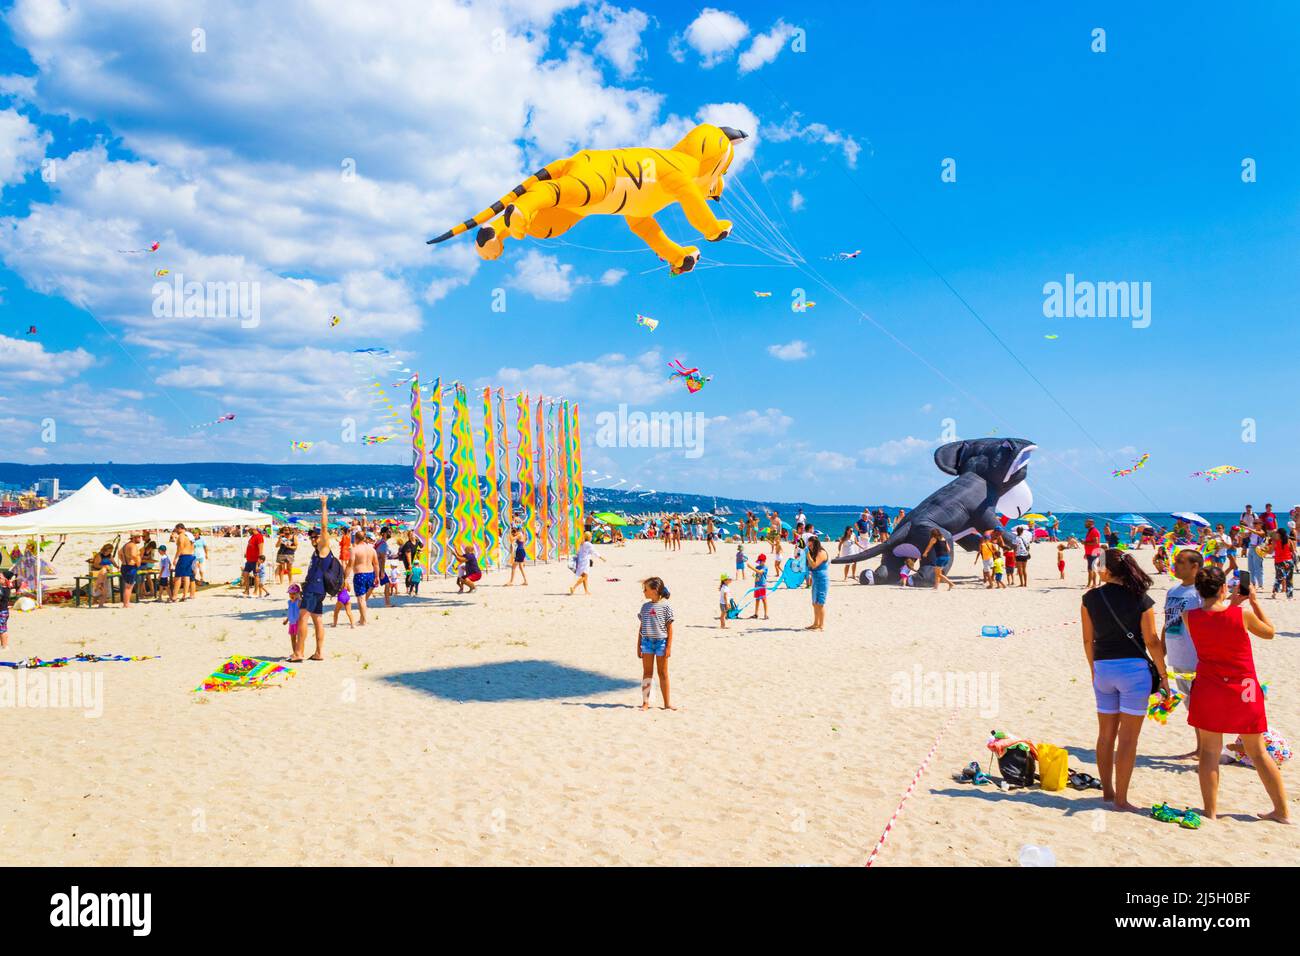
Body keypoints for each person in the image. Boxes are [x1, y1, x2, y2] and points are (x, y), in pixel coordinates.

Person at [1184, 566, 1288, 823]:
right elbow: (1269, 632)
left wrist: (1231, 601)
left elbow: (1213, 616)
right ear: (1223, 588)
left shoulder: (1189, 616)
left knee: (1209, 752)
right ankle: (1282, 811)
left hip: (1209, 688)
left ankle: (1210, 811)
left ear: (1199, 590)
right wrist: (1251, 601)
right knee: (1258, 752)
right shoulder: (1243, 615)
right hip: (1244, 690)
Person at [1080, 549, 1167, 812]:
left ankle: (1107, 791)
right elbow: (1151, 641)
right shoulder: (1140, 598)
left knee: (1105, 735)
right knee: (1128, 739)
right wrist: (1163, 676)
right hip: (1134, 672)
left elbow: (1087, 640)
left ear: (1107, 569)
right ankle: (1121, 799)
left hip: (1103, 668)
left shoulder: (1090, 598)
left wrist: (1094, 669)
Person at [1162, 549, 1205, 759]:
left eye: (1180, 562)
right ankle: (1200, 748)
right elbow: (1167, 622)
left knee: (1202, 707)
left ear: (1194, 566)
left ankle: (1208, 750)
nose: (1175, 564)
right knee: (1191, 706)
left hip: (1196, 658)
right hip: (1176, 657)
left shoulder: (1200, 593)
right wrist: (1160, 650)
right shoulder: (1172, 591)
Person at [296, 497, 335, 662]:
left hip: (314, 589)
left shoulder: (324, 547)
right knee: (318, 619)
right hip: (316, 589)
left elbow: (325, 527)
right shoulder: (317, 551)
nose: (313, 539)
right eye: (311, 536)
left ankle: (298, 653)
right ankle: (319, 653)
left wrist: (324, 505)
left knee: (302, 618)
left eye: (315, 536)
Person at [636, 576, 675, 711]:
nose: (644, 592)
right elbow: (641, 628)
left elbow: (670, 628)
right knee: (647, 673)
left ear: (654, 590)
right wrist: (638, 645)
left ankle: (667, 703)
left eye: (645, 589)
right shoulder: (645, 607)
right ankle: (645, 702)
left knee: (663, 673)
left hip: (661, 643)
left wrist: (668, 647)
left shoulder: (666, 606)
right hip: (646, 643)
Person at [350, 530, 380, 623]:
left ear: (356, 538)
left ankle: (363, 620)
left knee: (361, 599)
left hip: (360, 574)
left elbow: (350, 565)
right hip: (370, 574)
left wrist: (345, 577)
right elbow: (376, 564)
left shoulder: (354, 549)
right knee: (364, 598)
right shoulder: (372, 549)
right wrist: (377, 576)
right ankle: (362, 618)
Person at [806, 534, 829, 631]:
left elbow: (814, 565)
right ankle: (815, 623)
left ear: (816, 544)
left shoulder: (821, 553)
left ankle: (821, 625)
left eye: (811, 545)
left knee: (820, 603)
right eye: (808, 545)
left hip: (822, 579)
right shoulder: (814, 553)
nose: (809, 547)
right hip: (815, 579)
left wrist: (807, 554)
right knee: (814, 603)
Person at [117, 531, 143, 609]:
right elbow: (133, 555)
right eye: (139, 537)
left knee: (127, 586)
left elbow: (119, 553)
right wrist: (138, 563)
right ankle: (126, 604)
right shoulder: (133, 545)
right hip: (130, 567)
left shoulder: (125, 545)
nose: (140, 538)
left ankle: (126, 603)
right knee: (129, 586)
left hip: (124, 566)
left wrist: (123, 560)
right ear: (134, 538)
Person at [172, 523, 196, 601]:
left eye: (176, 529)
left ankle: (174, 596)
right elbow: (193, 546)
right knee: (187, 576)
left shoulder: (182, 536)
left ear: (180, 528)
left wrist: (175, 558)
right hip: (190, 556)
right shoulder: (189, 535)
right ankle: (185, 596)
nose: (176, 531)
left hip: (184, 556)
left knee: (178, 576)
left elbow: (180, 547)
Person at [240, 525, 264, 598]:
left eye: (249, 530)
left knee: (256, 576)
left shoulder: (259, 537)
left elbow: (261, 551)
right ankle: (247, 590)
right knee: (245, 574)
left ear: (253, 529)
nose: (247, 531)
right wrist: (246, 553)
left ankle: (255, 592)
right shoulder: (252, 536)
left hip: (255, 560)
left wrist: (258, 563)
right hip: (249, 560)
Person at [1271, 528, 1294, 600]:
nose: (1276, 534)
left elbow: (1270, 551)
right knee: (1289, 579)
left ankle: (1274, 593)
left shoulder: (1275, 542)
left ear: (1279, 534)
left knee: (1278, 578)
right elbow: (1293, 551)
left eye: (1277, 533)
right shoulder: (1289, 541)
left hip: (1279, 562)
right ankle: (1289, 596)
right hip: (1289, 561)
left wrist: (1263, 550)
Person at [748, 553, 769, 619]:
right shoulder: (757, 567)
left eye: (761, 561)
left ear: (764, 561)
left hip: (762, 585)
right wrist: (754, 576)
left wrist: (751, 567)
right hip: (757, 585)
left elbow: (760, 572)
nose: (760, 562)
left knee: (764, 599)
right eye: (759, 561)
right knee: (757, 599)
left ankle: (766, 614)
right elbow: (756, 575)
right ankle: (756, 614)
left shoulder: (765, 567)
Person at [1083, 518, 1103, 589]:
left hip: (1094, 552)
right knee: (1090, 569)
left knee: (1092, 569)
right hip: (1089, 552)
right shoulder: (1090, 531)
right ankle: (1090, 584)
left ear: (1091, 523)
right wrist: (1086, 553)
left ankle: (1093, 584)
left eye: (1086, 523)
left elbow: (1096, 542)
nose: (1085, 524)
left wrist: (1085, 543)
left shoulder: (1094, 531)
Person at [284, 583, 302, 658]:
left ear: (298, 594)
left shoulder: (299, 602)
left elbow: (302, 603)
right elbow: (289, 611)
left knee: (299, 638)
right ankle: (294, 652)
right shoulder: (289, 602)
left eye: (294, 593)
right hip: (291, 623)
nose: (291, 595)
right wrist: (287, 620)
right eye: (290, 593)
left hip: (298, 622)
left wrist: (299, 596)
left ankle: (299, 652)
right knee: (292, 639)